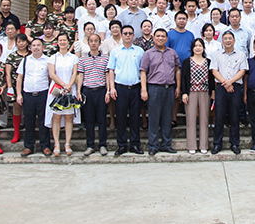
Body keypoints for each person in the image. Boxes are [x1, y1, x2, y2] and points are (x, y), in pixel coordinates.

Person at [140, 29, 181, 155]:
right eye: (158, 36)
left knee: (167, 117)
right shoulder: (148, 54)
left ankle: (166, 145)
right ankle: (153, 146)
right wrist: (144, 90)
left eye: (163, 36)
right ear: (153, 38)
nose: (160, 38)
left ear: (166, 39)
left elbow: (177, 70)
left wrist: (178, 87)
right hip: (154, 88)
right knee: (153, 118)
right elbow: (143, 72)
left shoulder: (172, 53)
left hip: (169, 88)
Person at [107, 26, 145, 156]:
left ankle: (135, 144)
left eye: (130, 33)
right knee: (121, 117)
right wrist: (112, 88)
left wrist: (143, 89)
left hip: (135, 87)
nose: (127, 35)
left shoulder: (139, 51)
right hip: (120, 88)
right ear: (121, 35)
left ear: (133, 36)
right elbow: (111, 70)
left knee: (135, 117)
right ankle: (122, 145)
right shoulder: (115, 51)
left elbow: (143, 70)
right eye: (125, 33)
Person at [211, 31, 248, 155]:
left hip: (235, 87)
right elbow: (214, 71)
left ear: (234, 40)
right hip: (221, 88)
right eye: (225, 38)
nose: (228, 40)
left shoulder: (241, 54)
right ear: (222, 41)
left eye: (230, 38)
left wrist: (230, 82)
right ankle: (217, 144)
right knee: (219, 117)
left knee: (234, 117)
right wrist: (225, 83)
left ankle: (235, 143)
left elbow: (242, 71)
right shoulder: (216, 54)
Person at [16, 38, 53, 156]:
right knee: (29, 121)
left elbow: (51, 77)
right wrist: (19, 94)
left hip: (43, 94)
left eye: (38, 45)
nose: (36, 47)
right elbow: (19, 78)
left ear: (43, 47)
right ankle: (29, 146)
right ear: (30, 48)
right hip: (28, 94)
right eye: (34, 45)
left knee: (44, 121)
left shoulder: (48, 60)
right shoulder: (25, 60)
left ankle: (45, 146)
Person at [45, 33, 81, 156]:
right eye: (60, 40)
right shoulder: (53, 57)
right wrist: (64, 85)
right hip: (57, 89)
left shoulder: (73, 58)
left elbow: (74, 73)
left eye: (64, 40)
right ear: (57, 42)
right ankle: (56, 143)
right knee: (56, 117)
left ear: (68, 42)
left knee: (69, 117)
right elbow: (52, 74)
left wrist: (69, 85)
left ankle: (67, 143)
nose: (62, 42)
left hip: (70, 89)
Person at [77, 33, 110, 156]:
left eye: (96, 41)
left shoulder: (105, 59)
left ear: (100, 43)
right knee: (89, 120)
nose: (94, 43)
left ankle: (102, 145)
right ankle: (90, 145)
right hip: (88, 91)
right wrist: (78, 91)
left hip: (101, 90)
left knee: (102, 119)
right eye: (91, 41)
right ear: (88, 43)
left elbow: (107, 75)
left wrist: (108, 91)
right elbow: (80, 75)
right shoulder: (82, 59)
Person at [181, 39, 213, 155]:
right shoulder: (187, 61)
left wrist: (212, 92)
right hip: (191, 92)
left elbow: (211, 78)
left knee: (204, 119)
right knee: (191, 119)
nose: (198, 48)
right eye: (196, 46)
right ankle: (192, 145)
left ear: (203, 48)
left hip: (205, 92)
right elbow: (184, 77)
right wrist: (184, 93)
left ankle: (204, 145)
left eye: (200, 46)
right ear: (192, 48)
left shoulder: (208, 61)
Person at [4, 32, 30, 144]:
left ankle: (29, 132)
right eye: (19, 41)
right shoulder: (12, 56)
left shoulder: (31, 55)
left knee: (29, 110)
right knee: (17, 108)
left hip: (29, 86)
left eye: (23, 41)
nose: (21, 43)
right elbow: (8, 73)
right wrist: (9, 87)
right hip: (16, 86)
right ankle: (16, 133)